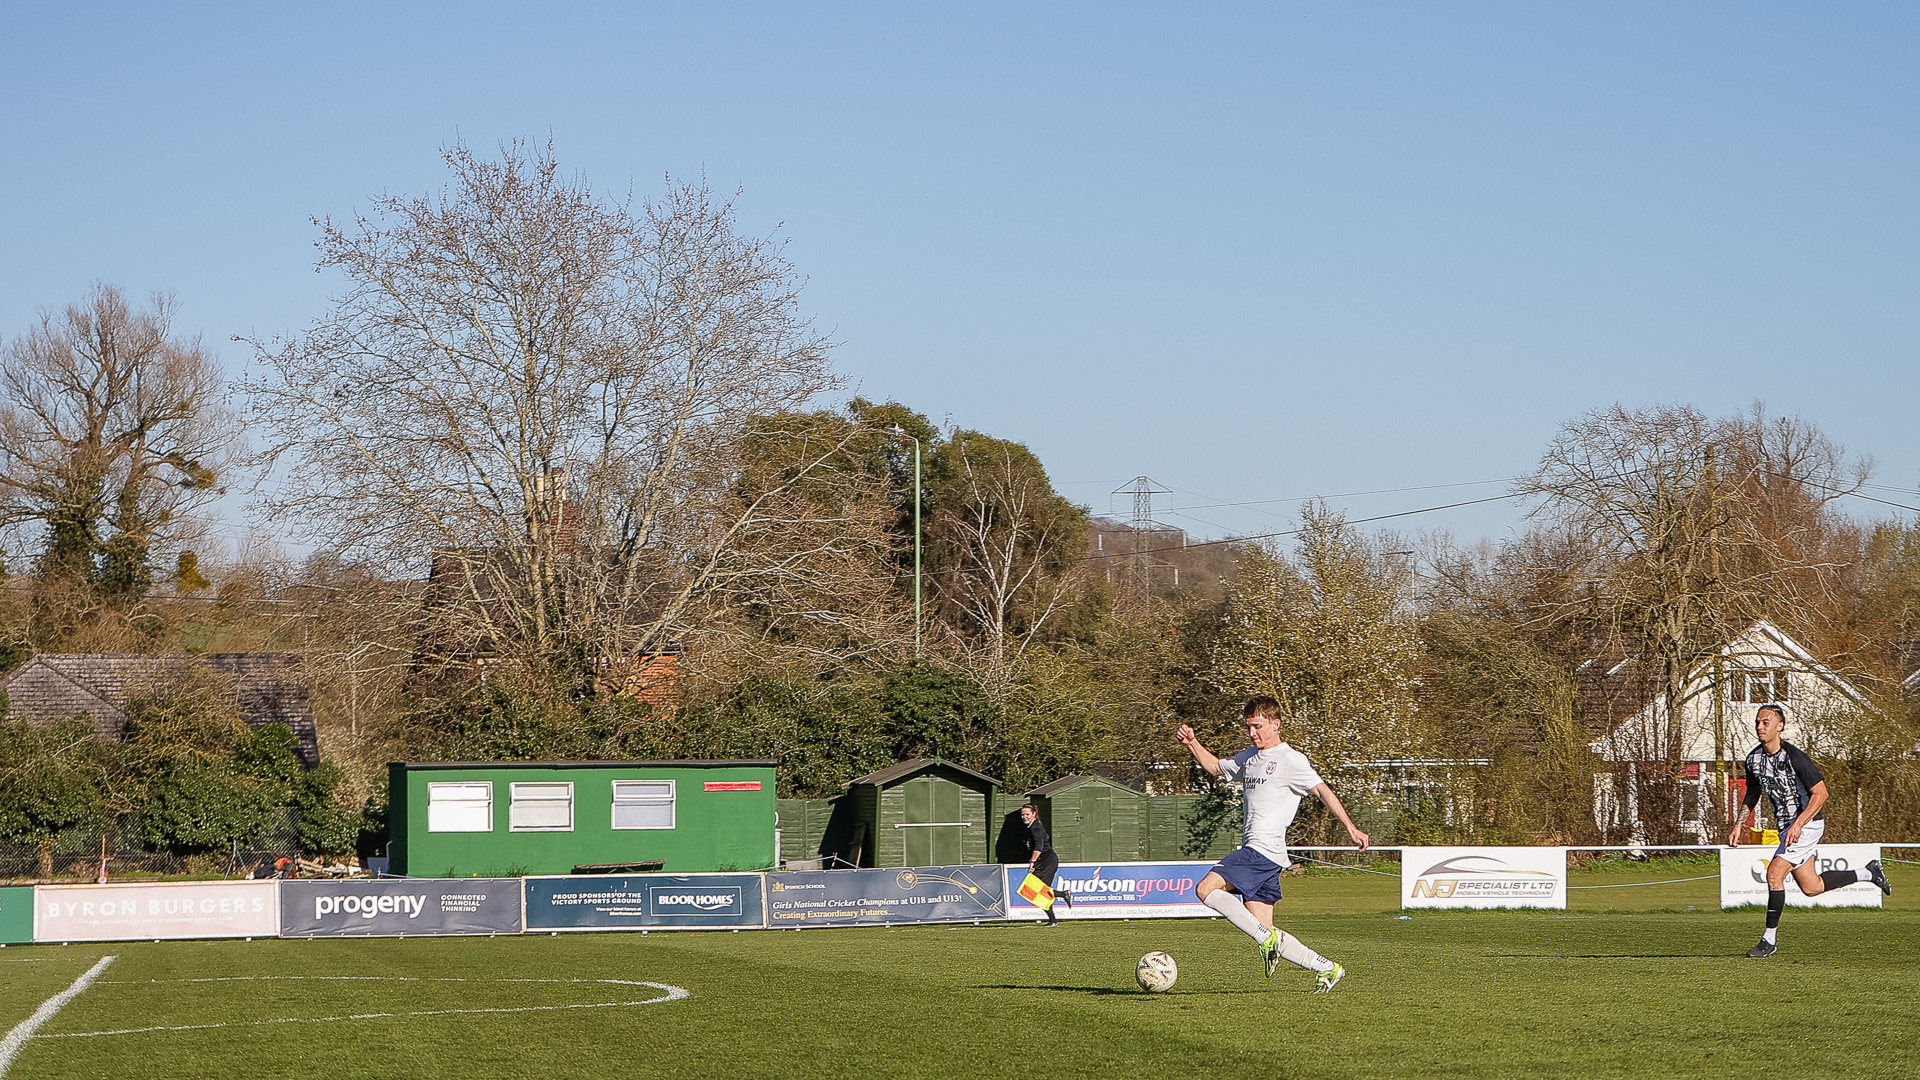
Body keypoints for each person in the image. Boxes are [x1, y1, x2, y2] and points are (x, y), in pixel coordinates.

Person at [1175, 695, 1369, 992]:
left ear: (1275, 724)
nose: (1252, 732)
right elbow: (1215, 767)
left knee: (1205, 889)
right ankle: (1327, 968)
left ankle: (1268, 940)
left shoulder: (1291, 759)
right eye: (1249, 727)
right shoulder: (1250, 758)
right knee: (1265, 929)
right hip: (1269, 857)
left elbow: (1322, 791)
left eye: (1258, 726)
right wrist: (1192, 743)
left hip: (1260, 852)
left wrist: (1351, 827)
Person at [1728, 702, 1891, 958]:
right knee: (1812, 887)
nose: (1760, 726)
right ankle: (1868, 872)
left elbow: (1821, 793)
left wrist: (1799, 824)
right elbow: (1753, 792)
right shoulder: (1753, 759)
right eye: (1758, 722)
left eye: (1766, 722)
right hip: (1787, 828)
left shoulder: (1795, 757)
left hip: (1808, 825)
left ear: (1780, 726)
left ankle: (1768, 941)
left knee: (1774, 874)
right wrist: (1739, 824)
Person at [1019, 803, 1066, 925]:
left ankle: (1054, 918)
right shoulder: (1030, 827)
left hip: (1047, 861)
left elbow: (1038, 847)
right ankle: (1054, 915)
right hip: (1042, 861)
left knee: (1039, 890)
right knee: (1035, 890)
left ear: (1034, 814)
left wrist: (1032, 862)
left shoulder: (1036, 828)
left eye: (1027, 814)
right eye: (1022, 815)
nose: (1024, 817)